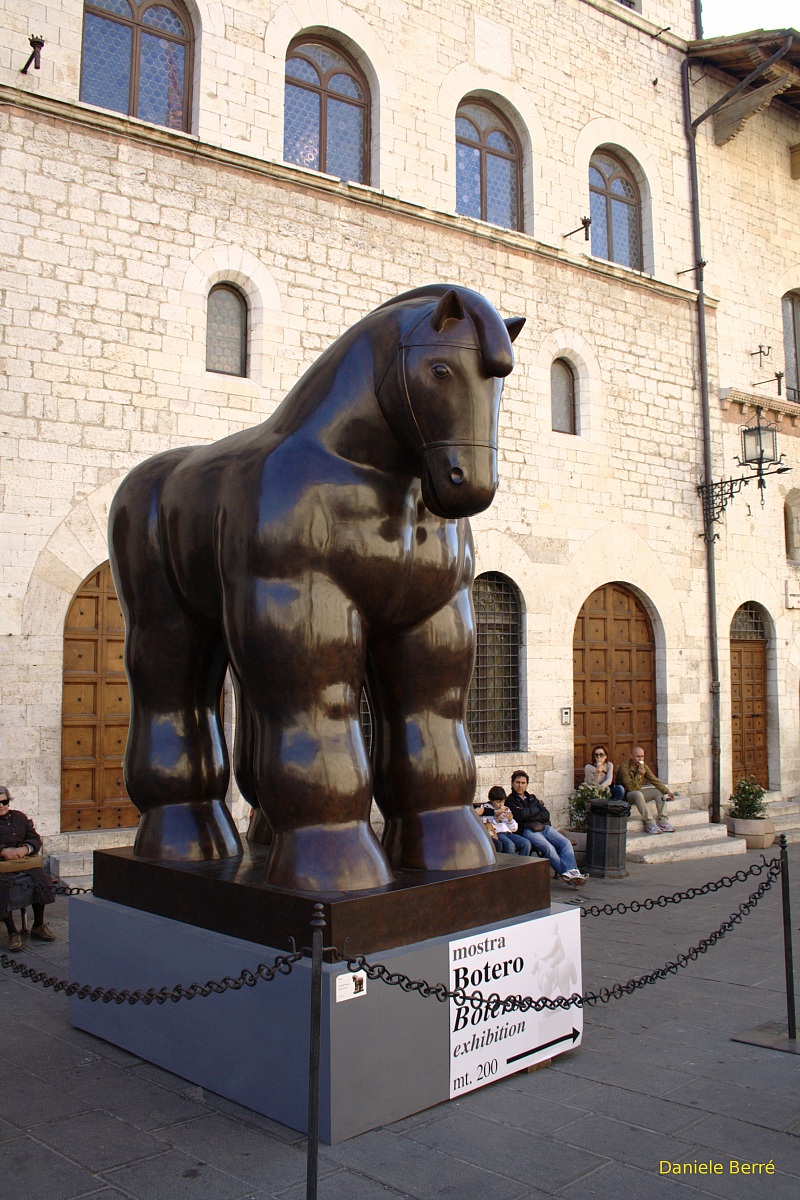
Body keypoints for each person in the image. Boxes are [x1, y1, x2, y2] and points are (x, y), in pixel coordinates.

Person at [506, 770, 588, 887]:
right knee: (548, 848)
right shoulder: (510, 801)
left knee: (566, 843)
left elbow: (546, 814)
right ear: (512, 784)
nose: (520, 785)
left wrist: (529, 814)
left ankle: (573, 872)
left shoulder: (532, 798)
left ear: (527, 784)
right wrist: (535, 811)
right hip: (528, 830)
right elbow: (520, 816)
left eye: (523, 783)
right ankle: (567, 875)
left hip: (544, 827)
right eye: (517, 782)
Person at [0, 786, 56, 950]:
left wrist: (25, 849)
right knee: (2, 887)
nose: (1, 805)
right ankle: (12, 932)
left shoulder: (20, 817)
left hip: (23, 863)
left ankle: (38, 925)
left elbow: (34, 838)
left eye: (4, 801)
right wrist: (3, 851)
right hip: (2, 867)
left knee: (41, 880)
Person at [615, 748, 676, 834]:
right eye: (638, 756)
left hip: (638, 792)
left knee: (658, 792)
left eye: (642, 756)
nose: (640, 759)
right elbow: (630, 788)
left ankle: (663, 821)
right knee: (637, 794)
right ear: (632, 756)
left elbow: (653, 779)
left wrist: (667, 791)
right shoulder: (624, 767)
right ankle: (649, 823)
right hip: (627, 795)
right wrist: (639, 775)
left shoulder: (643, 766)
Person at [482, 786, 531, 856]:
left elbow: (514, 829)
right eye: (498, 802)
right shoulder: (486, 809)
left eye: (503, 801)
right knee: (510, 845)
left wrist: (510, 820)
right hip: (497, 833)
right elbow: (486, 827)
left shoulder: (505, 809)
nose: (501, 804)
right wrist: (496, 819)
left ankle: (521, 864)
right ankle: (510, 865)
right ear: (490, 800)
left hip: (508, 833)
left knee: (526, 843)